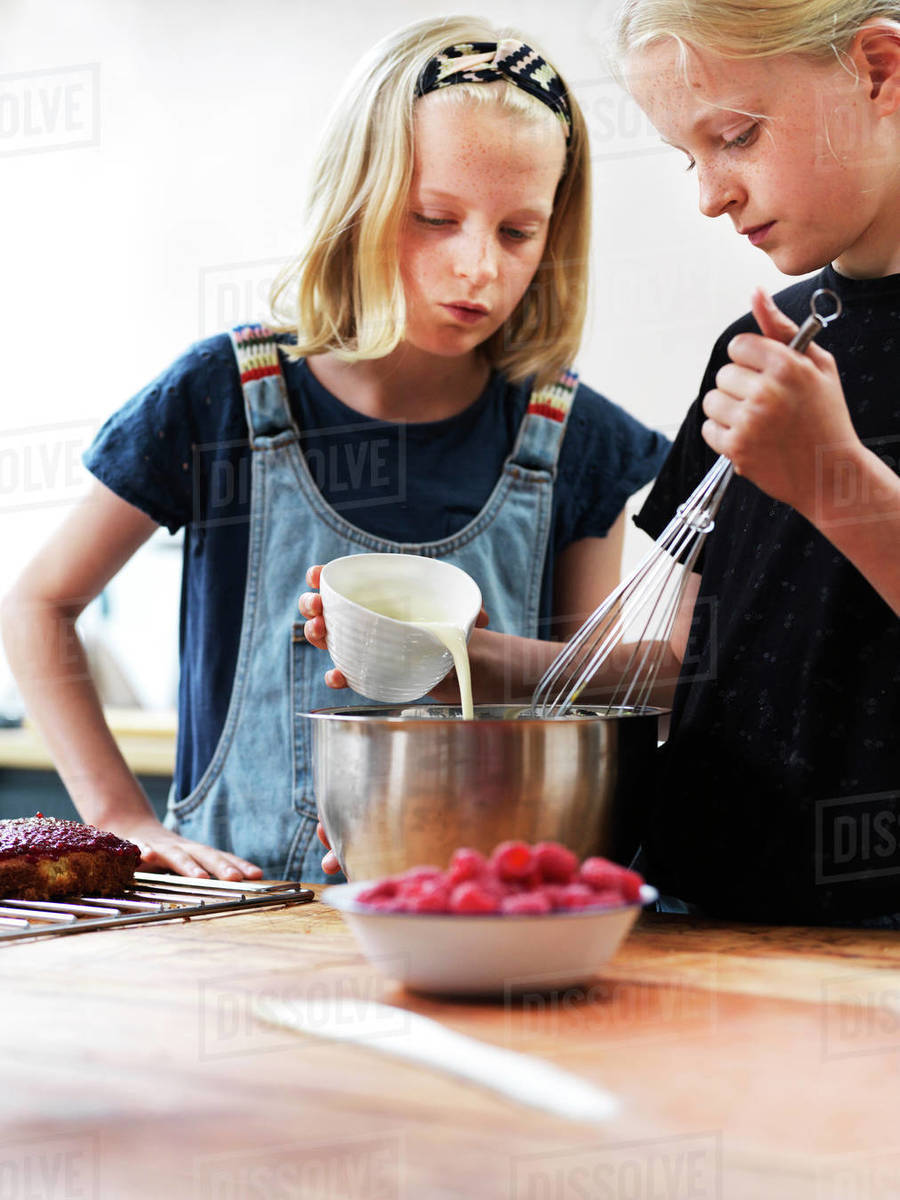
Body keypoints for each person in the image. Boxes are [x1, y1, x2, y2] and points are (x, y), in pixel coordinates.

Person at [0, 16, 669, 885]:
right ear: (360, 197)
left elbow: (584, 698)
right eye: (434, 217)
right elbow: (38, 606)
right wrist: (121, 819)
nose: (477, 267)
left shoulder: (576, 440)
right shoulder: (218, 402)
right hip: (232, 937)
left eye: (517, 232)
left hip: (468, 925)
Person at [602, 0, 900, 922]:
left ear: (880, 71)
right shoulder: (759, 344)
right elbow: (698, 659)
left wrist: (831, 479)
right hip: (694, 915)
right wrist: (486, 665)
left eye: (735, 135)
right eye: (692, 157)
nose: (709, 194)